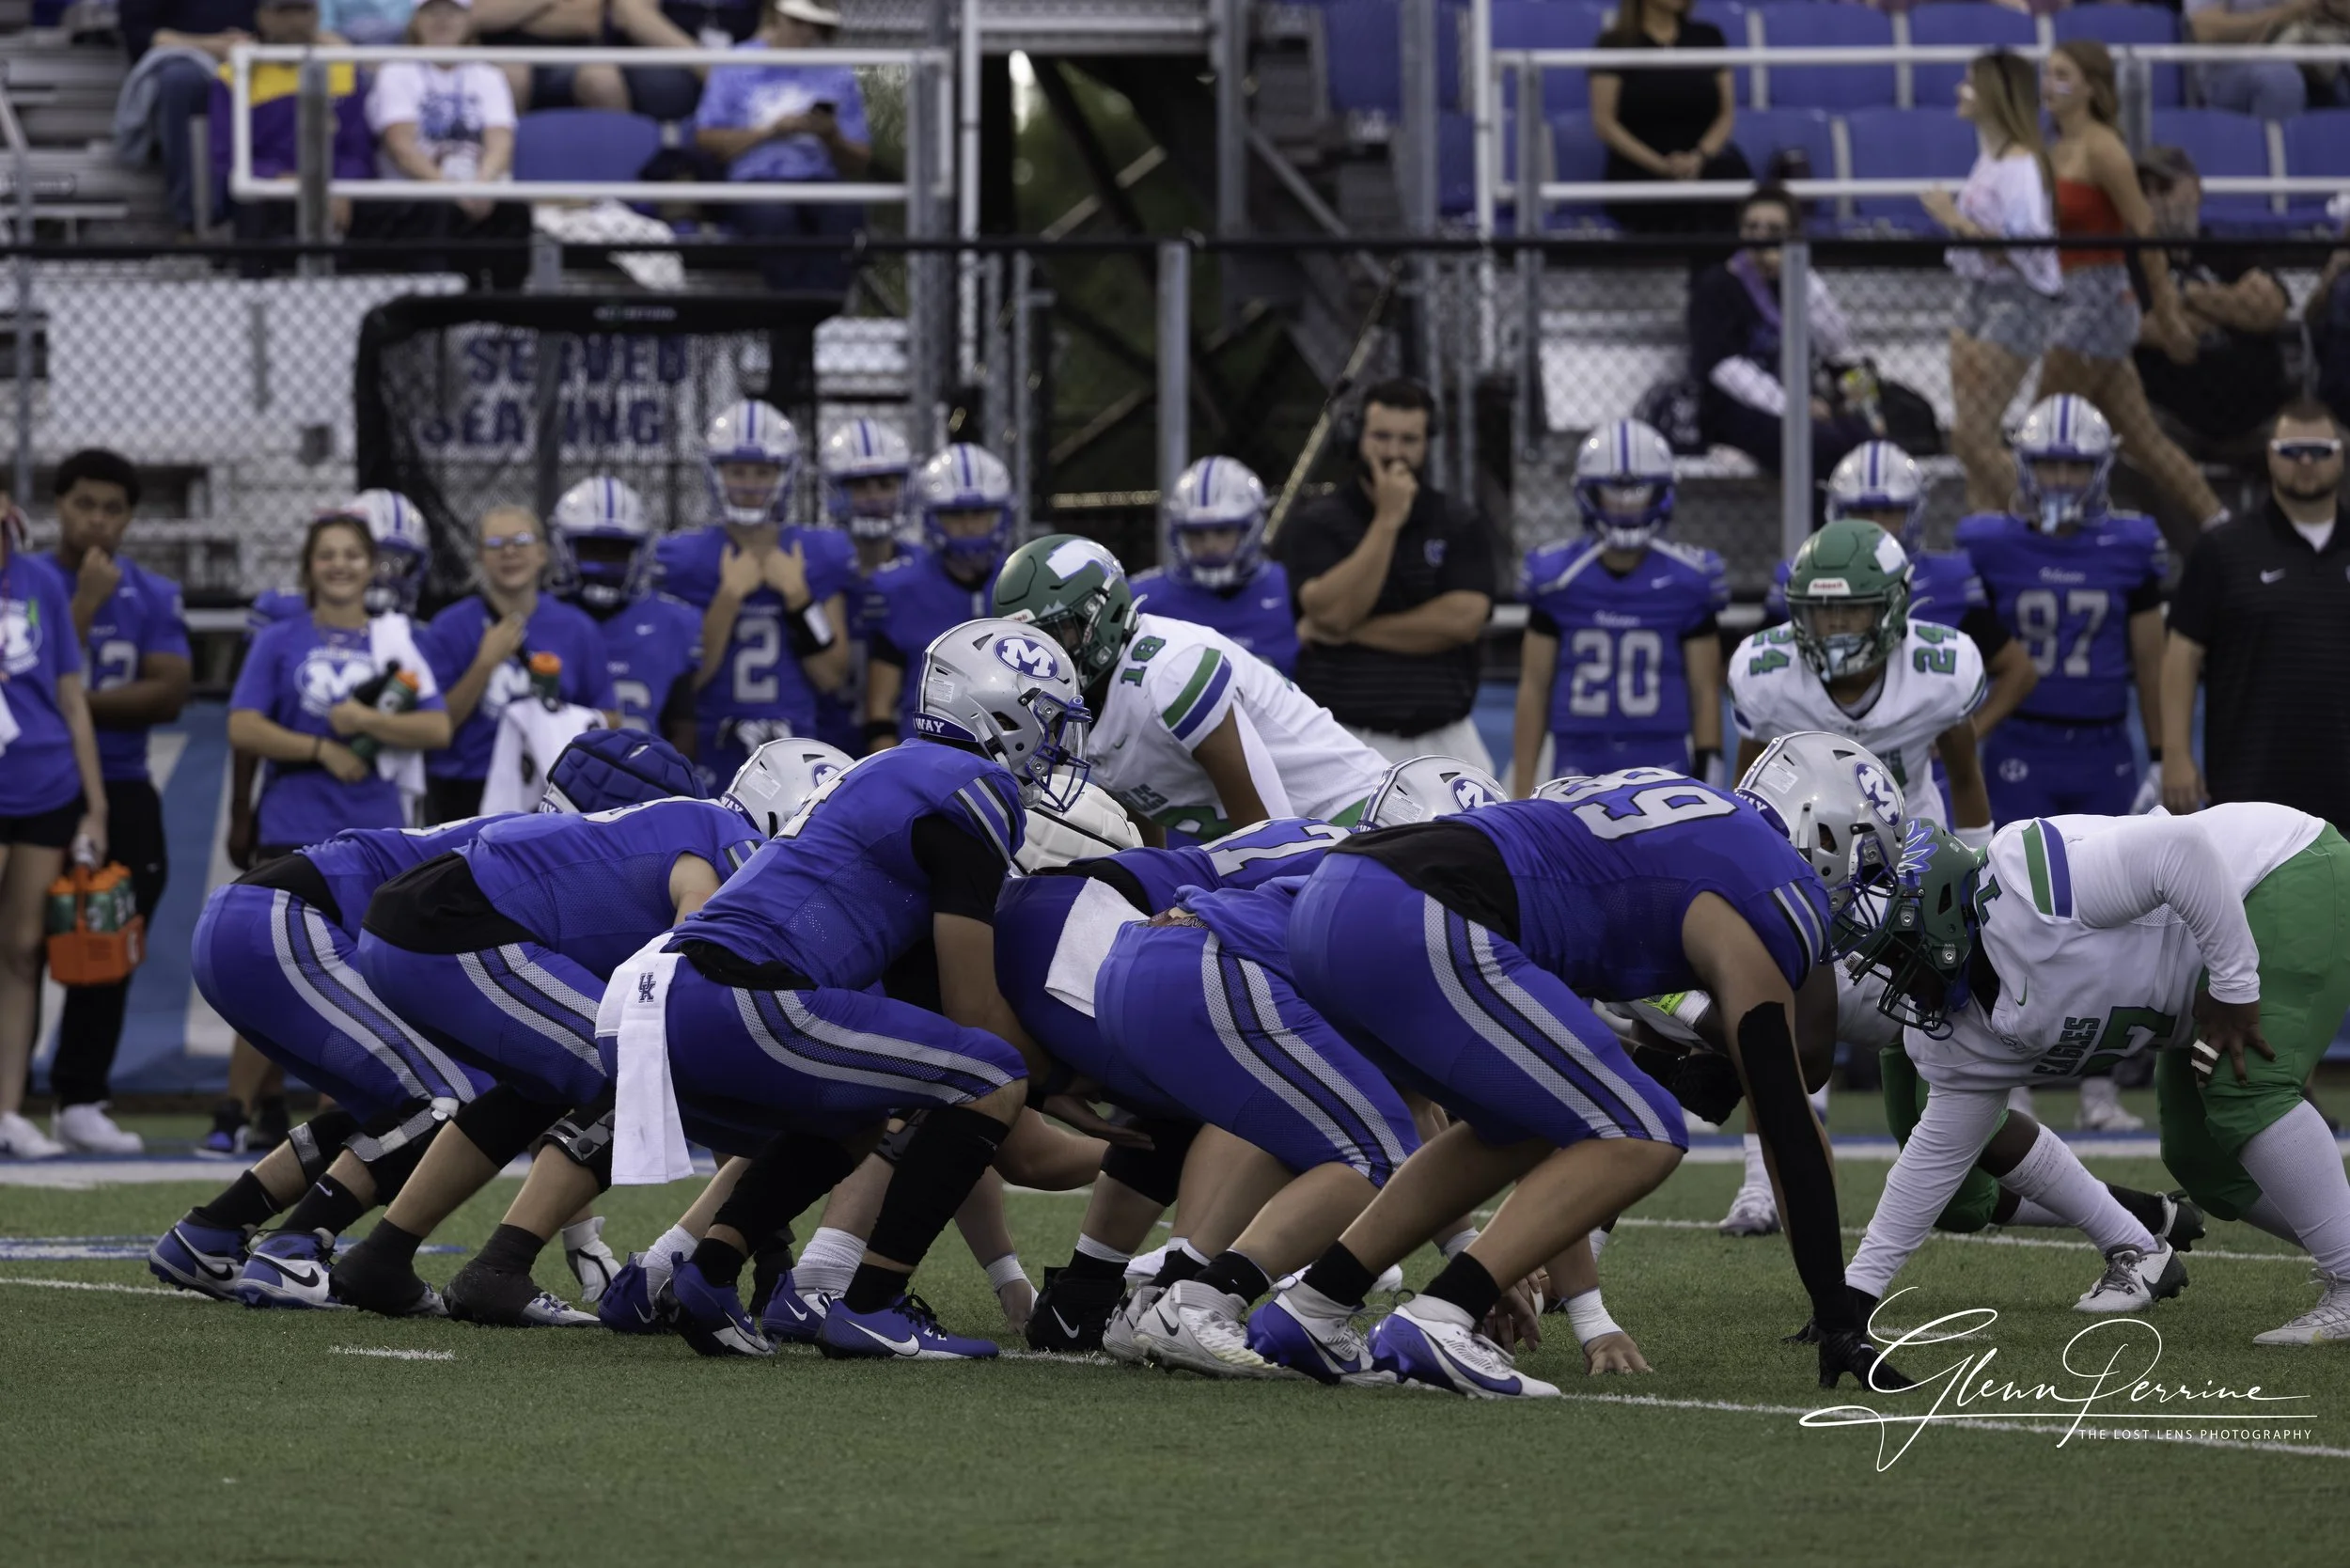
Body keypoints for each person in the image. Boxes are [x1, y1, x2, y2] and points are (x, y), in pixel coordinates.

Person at [1250, 771, 1904, 1395]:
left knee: (1525, 1123)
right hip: (1422, 910)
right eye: (1868, 870)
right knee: (1643, 1130)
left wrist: (1667, 1069)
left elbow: (1556, 998)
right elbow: (1784, 1110)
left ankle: (1312, 1306)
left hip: (1338, 901)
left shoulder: (1682, 818)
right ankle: (1444, 1313)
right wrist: (1838, 1315)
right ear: (1823, 841)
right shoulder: (1772, 885)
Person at [598, 619, 1103, 1359]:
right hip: (745, 996)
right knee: (992, 1074)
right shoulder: (975, 787)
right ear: (1001, 711)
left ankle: (708, 1274)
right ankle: (871, 1303)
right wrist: (1060, 1076)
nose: (1056, 743)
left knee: (875, 1102)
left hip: (670, 1002)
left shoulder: (891, 770)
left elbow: (922, 1010)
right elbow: (976, 1018)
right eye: (1049, 719)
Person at [148, 730, 699, 1308]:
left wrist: (580, 1233)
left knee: (405, 1104)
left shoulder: (542, 845)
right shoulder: (566, 869)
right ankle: (295, 1246)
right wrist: (580, 1234)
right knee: (450, 1095)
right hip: (289, 920)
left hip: (261, 917)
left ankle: (214, 1229)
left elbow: (536, 1075)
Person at [1840, 811, 2350, 1346]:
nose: (1895, 978)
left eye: (1899, 955)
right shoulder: (1957, 1024)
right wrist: (1856, 1296)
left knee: (2244, 1088)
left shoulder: (2028, 886)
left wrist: (2235, 987)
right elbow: (1935, 1156)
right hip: (2203, 971)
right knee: (2202, 1160)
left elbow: (2180, 850)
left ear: (1939, 917)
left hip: (2278, 873)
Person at [328, 745, 779, 1320]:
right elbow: (687, 965)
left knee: (539, 1089)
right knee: (645, 1065)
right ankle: (500, 1265)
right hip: (459, 920)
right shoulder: (722, 843)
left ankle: (381, 1257)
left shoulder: (685, 822)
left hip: (415, 915)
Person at [991, 534, 1391, 844]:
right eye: (1030, 644)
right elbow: (1140, 818)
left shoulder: (1171, 675)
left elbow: (1272, 840)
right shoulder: (1092, 698)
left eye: (1060, 633)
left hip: (1356, 821)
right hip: (1294, 843)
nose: (1047, 656)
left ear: (1104, 612)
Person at [43, 451, 191, 1155]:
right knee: (13, 945)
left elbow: (168, 693)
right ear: (58, 506)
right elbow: (27, 683)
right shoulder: (28, 583)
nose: (98, 519)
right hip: (34, 783)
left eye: (113, 508)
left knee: (107, 938)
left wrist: (70, 705)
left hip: (123, 783)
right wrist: (83, 610)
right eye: (84, 504)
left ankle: (81, 1095)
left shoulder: (153, 592)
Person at [2037, 41, 2227, 535]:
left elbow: (2145, 231)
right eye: (2047, 73)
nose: (2048, 85)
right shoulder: (2055, 147)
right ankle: (2220, 523)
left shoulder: (2104, 148)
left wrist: (2166, 312)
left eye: (2062, 75)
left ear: (2091, 88)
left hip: (2099, 296)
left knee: (2046, 422)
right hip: (2067, 294)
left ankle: (2040, 528)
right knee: (2143, 439)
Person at [1273, 379, 1497, 769]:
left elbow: (1462, 620)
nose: (1395, 452)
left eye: (1409, 439)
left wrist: (1352, 633)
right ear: (1358, 436)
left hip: (1446, 737)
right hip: (1348, 736)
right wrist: (1388, 520)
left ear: (1427, 444)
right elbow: (1334, 612)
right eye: (1381, 436)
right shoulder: (1319, 522)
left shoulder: (1459, 521)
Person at [2162, 399, 2350, 834]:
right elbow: (2182, 651)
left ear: (2340, 456)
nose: (2306, 462)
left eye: (2320, 451)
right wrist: (2175, 753)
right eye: (2291, 451)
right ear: (2270, 455)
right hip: (2251, 791)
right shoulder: (2223, 550)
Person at [1510, 419, 1725, 799]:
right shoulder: (1558, 579)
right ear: (1589, 493)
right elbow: (1534, 686)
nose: (1626, 502)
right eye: (1614, 489)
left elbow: (1705, 691)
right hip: (1577, 761)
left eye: (1638, 489)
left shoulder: (1689, 579)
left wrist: (1711, 784)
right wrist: (1522, 789)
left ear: (1661, 492)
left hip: (1663, 760)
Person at [1777, 441, 2039, 744]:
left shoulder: (1949, 582)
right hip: (1830, 753)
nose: (1875, 527)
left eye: (1889, 512)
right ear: (1836, 512)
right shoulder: (1802, 578)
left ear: (1914, 512)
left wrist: (1965, 740)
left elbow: (2018, 670)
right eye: (1861, 512)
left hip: (1918, 760)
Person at [656, 400, 855, 789]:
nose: (749, 485)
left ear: (785, 475)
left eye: (762, 472)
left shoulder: (817, 553)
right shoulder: (686, 558)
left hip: (799, 748)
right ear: (715, 474)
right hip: (713, 747)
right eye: (737, 472)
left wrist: (799, 598)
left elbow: (831, 675)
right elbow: (691, 677)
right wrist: (729, 597)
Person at [0, 506, 108, 1160]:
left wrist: (94, 805)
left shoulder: (39, 580)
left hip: (44, 784)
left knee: (21, 950)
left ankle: (8, 1109)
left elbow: (72, 698)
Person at [1919, 51, 2061, 515]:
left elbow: (2022, 247)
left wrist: (1952, 219)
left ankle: (2048, 515)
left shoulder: (2020, 166)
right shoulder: (1990, 156)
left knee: (1974, 437)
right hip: (1975, 293)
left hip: (2014, 300)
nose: (1961, 92)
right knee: (1970, 438)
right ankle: (1983, 535)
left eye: (1971, 83)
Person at [2129, 145, 2294, 534]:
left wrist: (2187, 297)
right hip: (2173, 420)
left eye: (2165, 187)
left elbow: (2269, 310)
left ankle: (2320, 570)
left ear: (2195, 189)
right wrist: (2232, 306)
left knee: (2334, 446)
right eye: (2145, 191)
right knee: (2137, 452)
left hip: (2261, 417)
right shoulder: (2132, 261)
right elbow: (2151, 329)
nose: (2155, 201)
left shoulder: (2229, 249)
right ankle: (2203, 569)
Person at [420, 505, 618, 823]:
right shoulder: (449, 627)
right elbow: (438, 727)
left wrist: (555, 719)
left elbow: (609, 718)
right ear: (480, 557)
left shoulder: (576, 628)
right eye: (496, 544)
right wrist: (484, 664)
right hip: (468, 787)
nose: (509, 552)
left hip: (551, 785)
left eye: (521, 541)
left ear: (542, 553)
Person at [1686, 187, 1871, 487]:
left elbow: (1836, 342)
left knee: (1868, 440)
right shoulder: (1716, 286)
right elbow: (1725, 370)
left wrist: (1801, 275)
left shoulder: (1799, 282)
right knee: (1822, 447)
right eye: (1752, 228)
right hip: (1739, 410)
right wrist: (1793, 406)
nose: (1761, 238)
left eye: (1773, 230)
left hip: (1803, 404)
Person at [693, 0, 870, 299]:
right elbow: (705, 138)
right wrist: (771, 131)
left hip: (819, 182)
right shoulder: (736, 63)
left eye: (815, 25)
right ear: (778, 15)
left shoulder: (838, 73)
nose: (805, 32)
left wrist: (831, 136)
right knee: (774, 218)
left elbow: (859, 158)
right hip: (756, 182)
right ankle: (805, 312)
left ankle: (809, 309)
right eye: (798, 22)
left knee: (844, 213)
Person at [360, 0, 530, 281]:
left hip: (476, 189)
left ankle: (508, 311)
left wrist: (481, 187)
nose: (443, 20)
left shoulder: (488, 75)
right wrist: (451, 191)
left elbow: (501, 142)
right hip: (417, 195)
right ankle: (434, 314)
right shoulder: (396, 72)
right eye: (432, 12)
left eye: (452, 12)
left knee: (513, 211)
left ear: (468, 20)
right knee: (437, 210)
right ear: (416, 20)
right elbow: (401, 148)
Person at [862, 443, 1011, 751]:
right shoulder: (900, 589)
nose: (969, 526)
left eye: (980, 513)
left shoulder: (1021, 580)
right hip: (924, 752)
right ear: (932, 518)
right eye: (956, 515)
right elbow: (879, 711)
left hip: (1015, 752)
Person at [549, 478, 701, 758]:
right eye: (592, 547)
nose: (604, 562)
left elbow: (683, 728)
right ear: (564, 548)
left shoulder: (673, 622)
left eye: (617, 550)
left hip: (646, 786)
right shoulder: (539, 619)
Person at [1589, 0, 1751, 238]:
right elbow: (1605, 124)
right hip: (1640, 166)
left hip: (1703, 162)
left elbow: (1726, 113)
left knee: (1729, 182)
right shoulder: (1614, 44)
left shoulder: (1708, 37)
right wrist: (1662, 166)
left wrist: (1698, 157)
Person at [1129, 458, 1298, 678]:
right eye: (1197, 534)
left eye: (1223, 531)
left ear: (1251, 529)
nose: (1210, 545)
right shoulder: (1142, 599)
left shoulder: (1291, 589)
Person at [815, 419, 914, 755]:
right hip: (825, 744)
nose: (874, 497)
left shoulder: (923, 571)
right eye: (860, 486)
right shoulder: (817, 570)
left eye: (885, 484)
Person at [118, 0, 258, 235]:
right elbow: (141, 35)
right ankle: (191, 219)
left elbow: (287, 18)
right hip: (185, 61)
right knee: (180, 81)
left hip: (257, 58)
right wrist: (212, 46)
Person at [2183, 0, 2349, 122]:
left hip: (2311, 48)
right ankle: (2277, 167)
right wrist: (2284, 15)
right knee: (2281, 80)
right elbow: (2207, 30)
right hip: (2230, 63)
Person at [473, 0, 626, 112]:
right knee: (511, 76)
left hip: (575, 53)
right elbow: (479, 15)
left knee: (603, 80)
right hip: (503, 52)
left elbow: (587, 19)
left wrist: (509, 13)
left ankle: (622, 152)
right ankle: (500, 153)